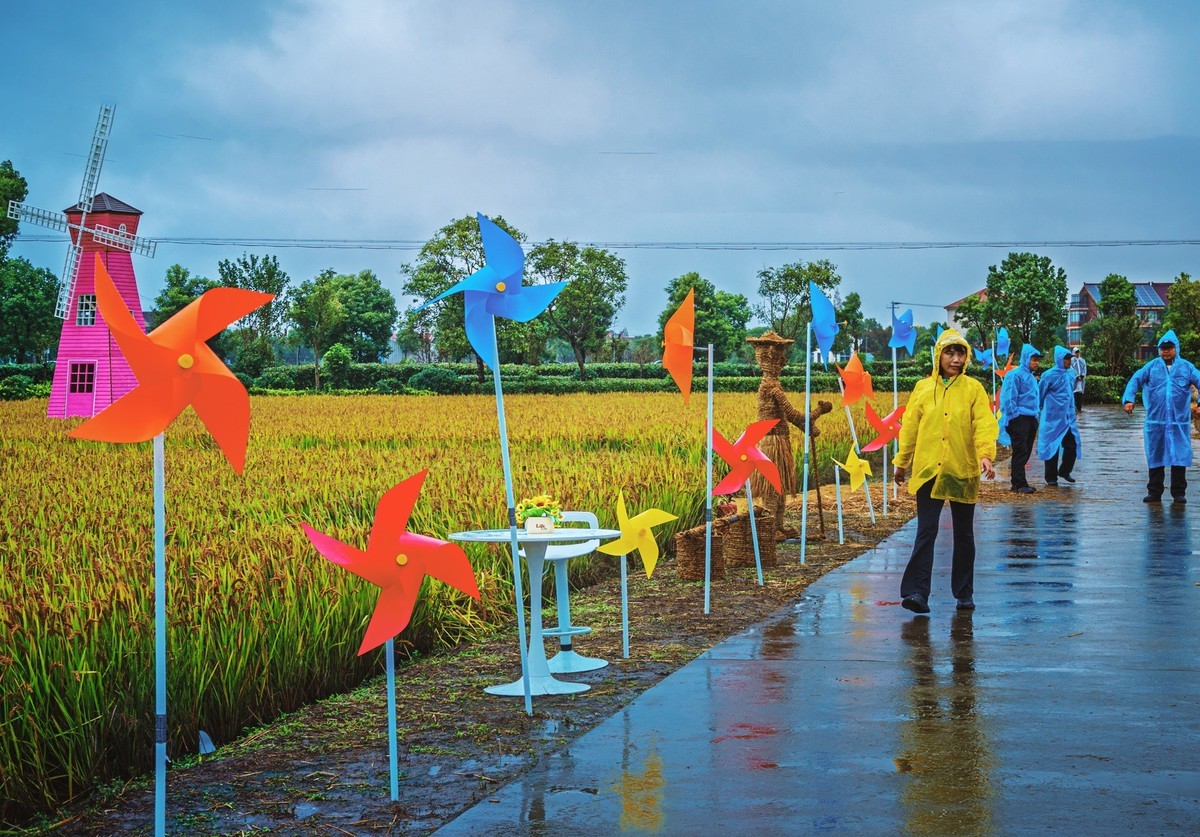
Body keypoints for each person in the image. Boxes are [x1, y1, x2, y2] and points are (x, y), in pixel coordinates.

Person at [894, 329, 999, 614]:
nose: (955, 359)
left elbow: (984, 424)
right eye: (949, 353)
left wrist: (985, 455)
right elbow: (910, 428)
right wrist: (902, 462)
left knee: (964, 534)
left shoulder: (973, 389)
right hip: (929, 469)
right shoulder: (923, 388)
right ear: (938, 356)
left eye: (960, 353)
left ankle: (964, 593)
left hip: (961, 469)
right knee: (926, 530)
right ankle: (917, 593)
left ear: (966, 357)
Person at [744, 331, 833, 530]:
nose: (781, 361)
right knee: (772, 487)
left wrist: (808, 427)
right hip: (772, 441)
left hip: (779, 440)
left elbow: (790, 418)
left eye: (781, 357)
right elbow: (793, 415)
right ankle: (769, 528)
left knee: (780, 487)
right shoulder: (772, 386)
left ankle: (778, 526)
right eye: (777, 357)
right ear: (766, 359)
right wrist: (819, 411)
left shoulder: (772, 384)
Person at [1122, 330, 1200, 503]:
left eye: (1169, 348)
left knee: (1179, 456)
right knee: (1155, 456)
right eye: (1163, 348)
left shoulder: (1187, 368)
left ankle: (1179, 493)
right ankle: (1154, 492)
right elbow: (1135, 380)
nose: (1166, 352)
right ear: (1159, 350)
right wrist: (1128, 400)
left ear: (1176, 348)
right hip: (1155, 422)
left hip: (1179, 423)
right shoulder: (1151, 367)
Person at [998, 344, 1041, 494]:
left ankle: (1017, 482)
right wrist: (1013, 416)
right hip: (1019, 418)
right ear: (1026, 359)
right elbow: (1009, 397)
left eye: (1037, 360)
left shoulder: (1030, 376)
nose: (1036, 363)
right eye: (1034, 359)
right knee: (1020, 450)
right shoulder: (1015, 375)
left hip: (1030, 417)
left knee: (1026, 450)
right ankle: (1019, 483)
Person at [1038, 346, 1081, 486]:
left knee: (1072, 445)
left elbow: (1070, 392)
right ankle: (1051, 477)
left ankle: (1064, 471)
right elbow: (1040, 394)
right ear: (1059, 359)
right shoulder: (1048, 375)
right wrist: (1038, 410)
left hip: (1067, 418)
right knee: (1052, 446)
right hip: (1052, 418)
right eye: (1066, 359)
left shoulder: (1071, 374)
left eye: (1070, 359)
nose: (1069, 361)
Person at [1071, 347, 1088, 414]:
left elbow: (1084, 369)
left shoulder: (1082, 360)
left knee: (1079, 394)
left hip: (1081, 381)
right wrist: (1076, 376)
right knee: (1074, 393)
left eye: (1078, 352)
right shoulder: (1071, 360)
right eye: (1076, 352)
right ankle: (1074, 408)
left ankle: (1079, 408)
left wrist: (1082, 376)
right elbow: (1071, 369)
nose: (1077, 353)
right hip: (1075, 380)